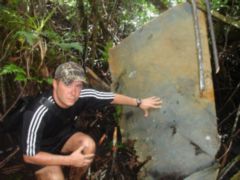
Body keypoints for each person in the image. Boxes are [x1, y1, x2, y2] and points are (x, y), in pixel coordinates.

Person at [20, 61, 162, 180]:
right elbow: (29, 156)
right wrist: (69, 160)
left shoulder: (81, 95)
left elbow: (110, 97)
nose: (73, 92)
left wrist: (139, 102)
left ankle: (74, 177)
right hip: (40, 151)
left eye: (78, 85)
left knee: (88, 145)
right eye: (67, 84)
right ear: (55, 84)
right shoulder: (37, 112)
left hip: (63, 138)